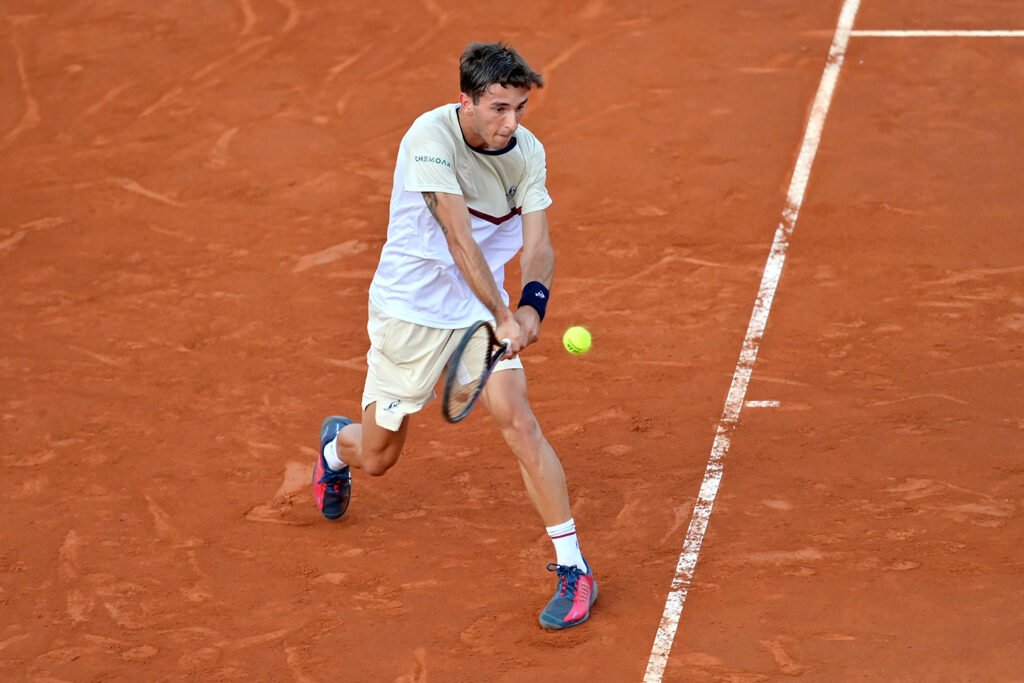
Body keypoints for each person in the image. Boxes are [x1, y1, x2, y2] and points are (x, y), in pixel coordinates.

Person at [312, 42, 597, 630]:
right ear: (465, 101)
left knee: (518, 419)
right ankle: (335, 448)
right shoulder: (429, 139)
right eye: (498, 108)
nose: (511, 123)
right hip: (408, 312)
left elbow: (539, 245)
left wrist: (532, 308)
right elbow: (459, 240)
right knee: (378, 456)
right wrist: (502, 313)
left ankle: (574, 568)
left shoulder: (528, 153)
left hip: (478, 310)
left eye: (519, 107)